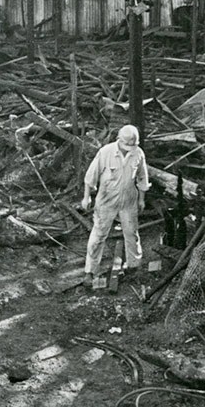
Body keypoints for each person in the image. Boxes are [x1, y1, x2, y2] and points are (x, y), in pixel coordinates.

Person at [81, 124, 150, 292]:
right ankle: (90, 271)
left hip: (128, 201)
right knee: (98, 235)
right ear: (119, 139)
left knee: (132, 233)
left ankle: (134, 266)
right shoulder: (105, 152)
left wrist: (141, 200)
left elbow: (142, 177)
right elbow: (90, 176)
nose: (129, 148)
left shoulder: (138, 153)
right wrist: (86, 197)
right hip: (106, 201)